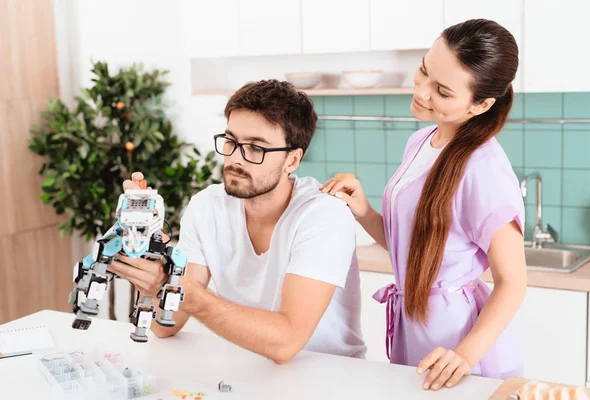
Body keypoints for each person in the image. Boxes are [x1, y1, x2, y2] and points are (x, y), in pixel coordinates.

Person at [321, 19, 527, 390]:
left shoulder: (484, 170)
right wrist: (365, 212)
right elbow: (412, 248)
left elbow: (512, 282)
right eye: (424, 70)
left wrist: (464, 356)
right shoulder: (422, 141)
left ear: (481, 103)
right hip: (415, 334)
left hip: (461, 350)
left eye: (442, 91)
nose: (422, 91)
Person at [108, 79, 366, 363]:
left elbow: (286, 342)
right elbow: (164, 325)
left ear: (292, 160)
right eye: (231, 142)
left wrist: (183, 290)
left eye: (256, 148)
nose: (235, 159)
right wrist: (152, 251)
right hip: (249, 369)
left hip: (331, 378)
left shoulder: (323, 215)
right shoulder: (207, 206)